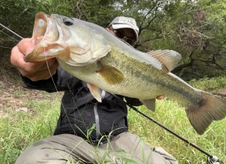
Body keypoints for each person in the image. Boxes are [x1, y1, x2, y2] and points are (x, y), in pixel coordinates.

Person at [11, 16, 178, 164]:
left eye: (130, 40)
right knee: (32, 160)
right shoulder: (70, 61)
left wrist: (151, 91)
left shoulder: (133, 67)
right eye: (119, 34)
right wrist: (33, 69)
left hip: (119, 139)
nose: (124, 40)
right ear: (105, 32)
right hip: (71, 138)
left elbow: (135, 99)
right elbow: (49, 78)